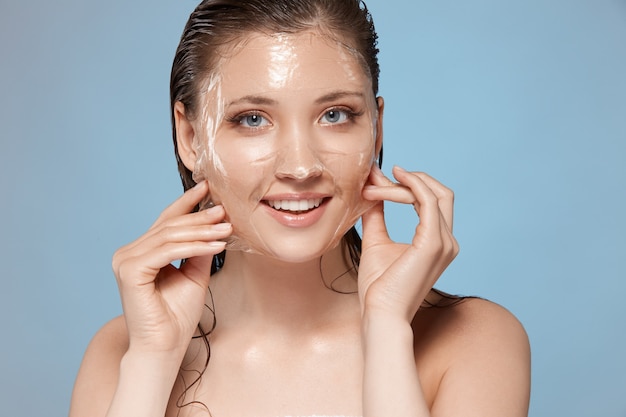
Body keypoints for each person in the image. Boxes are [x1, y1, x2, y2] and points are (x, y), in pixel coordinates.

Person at [69, 0, 531, 416]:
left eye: (335, 115)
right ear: (191, 139)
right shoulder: (122, 352)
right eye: (253, 119)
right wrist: (152, 360)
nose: (300, 166)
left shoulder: (473, 342)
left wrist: (388, 330)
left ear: (376, 127)